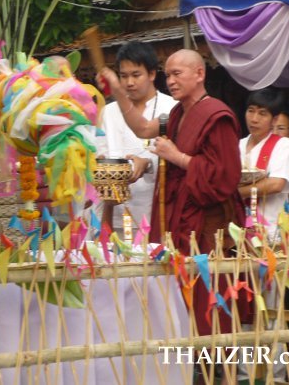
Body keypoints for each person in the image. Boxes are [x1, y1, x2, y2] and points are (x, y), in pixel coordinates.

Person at [99, 49, 245, 337]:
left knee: (206, 295)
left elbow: (225, 177)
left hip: (206, 227)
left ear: (199, 74)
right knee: (174, 296)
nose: (171, 81)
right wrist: (117, 91)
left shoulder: (216, 115)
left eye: (178, 73)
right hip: (177, 221)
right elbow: (142, 128)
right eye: (169, 74)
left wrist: (176, 156)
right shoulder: (178, 113)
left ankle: (215, 371)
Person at [100, 41, 177, 235]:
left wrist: (147, 162)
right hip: (115, 214)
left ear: (152, 74)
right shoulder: (108, 112)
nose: (129, 83)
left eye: (136, 75)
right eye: (123, 76)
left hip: (156, 215)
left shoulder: (171, 109)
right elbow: (98, 152)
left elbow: (177, 157)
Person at [238, 89, 289, 241]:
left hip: (272, 230)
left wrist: (237, 193)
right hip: (238, 230)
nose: (254, 119)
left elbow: (276, 184)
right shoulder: (239, 145)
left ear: (275, 120)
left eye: (262, 113)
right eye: (251, 111)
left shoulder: (283, 145)